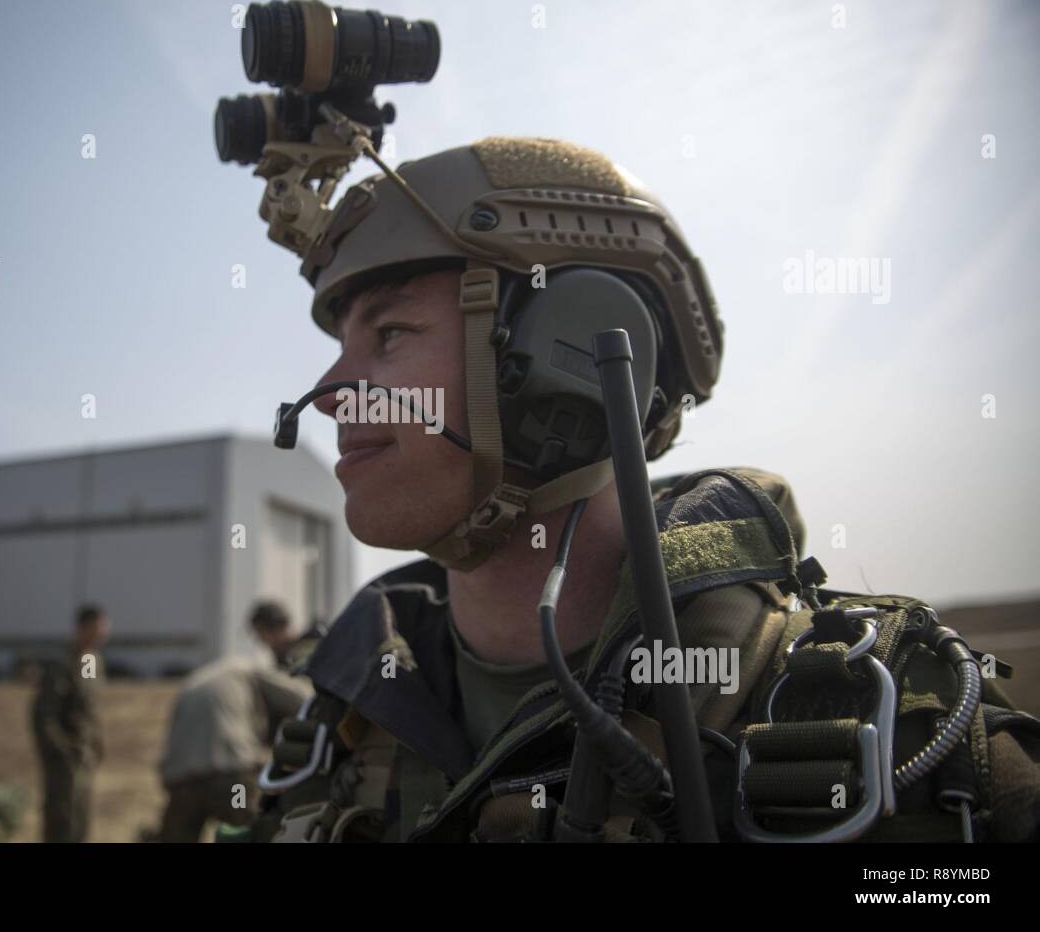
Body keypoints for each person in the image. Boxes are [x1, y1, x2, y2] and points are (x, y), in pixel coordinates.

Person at [242, 136, 1040, 843]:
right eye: (340, 346)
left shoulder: (887, 733)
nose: (332, 389)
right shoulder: (335, 724)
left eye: (388, 334)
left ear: (570, 358)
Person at [155, 601, 312, 842]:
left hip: (182, 780)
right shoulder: (250, 670)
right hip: (230, 776)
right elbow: (302, 698)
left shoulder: (199, 678)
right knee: (244, 830)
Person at [31, 603, 108, 842]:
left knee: (80, 821)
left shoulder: (92, 662)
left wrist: (96, 745)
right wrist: (61, 751)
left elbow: (90, 708)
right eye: (97, 628)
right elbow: (44, 716)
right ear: (83, 629)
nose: (102, 634)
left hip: (85, 757)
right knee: (61, 823)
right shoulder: (62, 664)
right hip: (64, 761)